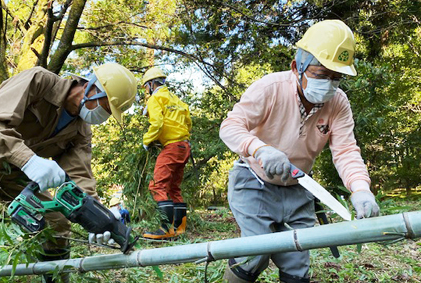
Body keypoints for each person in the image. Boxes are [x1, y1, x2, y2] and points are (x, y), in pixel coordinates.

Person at [0, 62, 136, 283]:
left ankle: (54, 279)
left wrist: (99, 216)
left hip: (9, 173)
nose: (104, 116)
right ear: (92, 87)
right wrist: (29, 161)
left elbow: (80, 176)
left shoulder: (80, 131)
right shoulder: (39, 81)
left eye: (109, 113)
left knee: (57, 223)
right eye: (106, 107)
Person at [219, 20, 380, 283]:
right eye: (320, 75)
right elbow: (230, 126)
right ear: (297, 67)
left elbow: (346, 150)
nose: (328, 84)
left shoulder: (338, 103)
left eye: (336, 77)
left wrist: (360, 188)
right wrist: (260, 149)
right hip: (254, 182)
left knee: (297, 259)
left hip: (299, 186)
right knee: (255, 252)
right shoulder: (270, 88)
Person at [140, 67, 192, 240]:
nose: (147, 90)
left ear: (150, 84)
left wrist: (147, 141)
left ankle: (165, 230)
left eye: (146, 87)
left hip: (171, 147)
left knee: (157, 186)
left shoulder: (155, 99)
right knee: (174, 188)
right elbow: (188, 123)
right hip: (184, 146)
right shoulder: (176, 99)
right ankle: (180, 229)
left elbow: (157, 123)